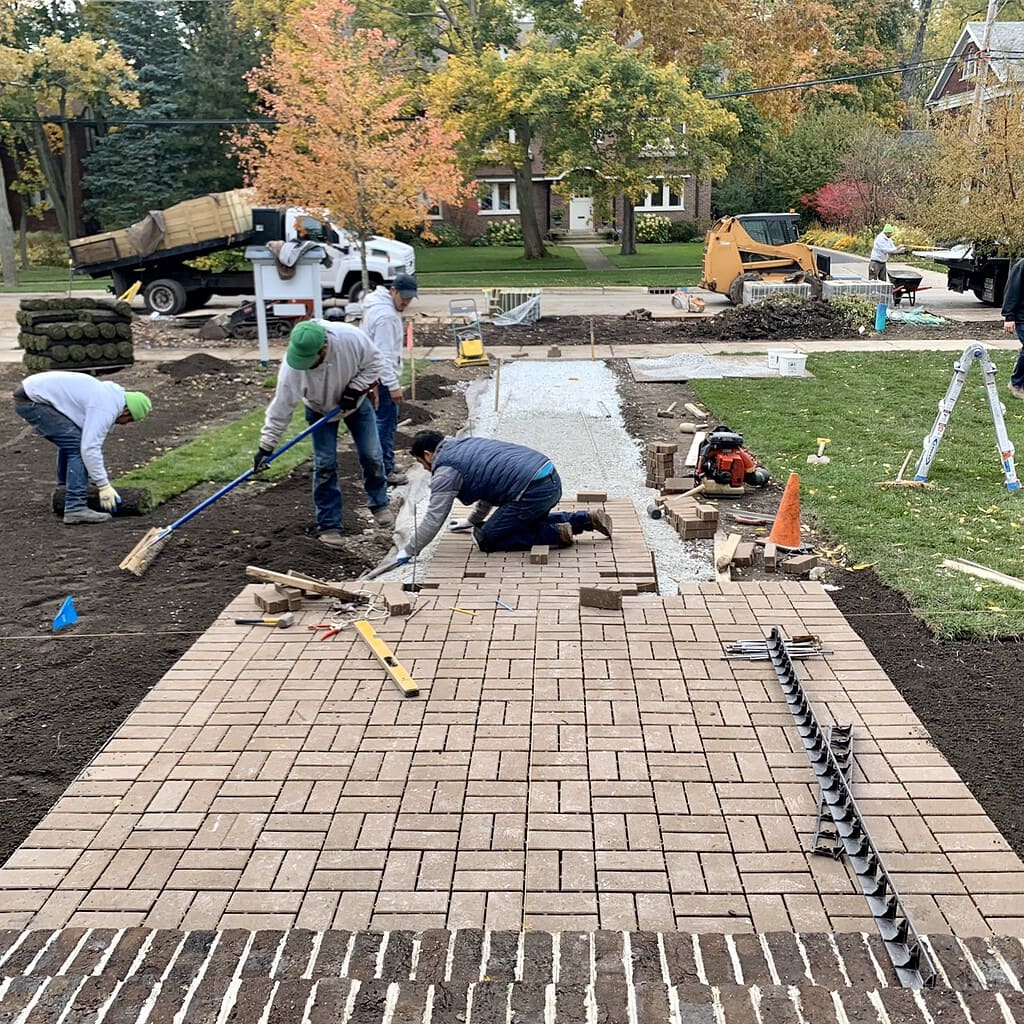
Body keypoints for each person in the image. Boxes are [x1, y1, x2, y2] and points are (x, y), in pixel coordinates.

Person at [254, 319, 396, 548]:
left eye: (310, 361)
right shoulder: (292, 370)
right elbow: (281, 408)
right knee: (325, 464)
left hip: (356, 405)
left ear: (325, 348)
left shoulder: (351, 338)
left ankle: (379, 503)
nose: (305, 366)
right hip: (319, 410)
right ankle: (329, 525)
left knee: (372, 455)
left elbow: (376, 362)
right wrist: (266, 446)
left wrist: (355, 388)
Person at [393, 430, 613, 562]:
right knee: (520, 520)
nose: (424, 469)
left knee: (485, 538)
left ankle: (556, 533)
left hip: (532, 491)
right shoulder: (465, 444)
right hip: (549, 478)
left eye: (422, 463)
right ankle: (585, 519)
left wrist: (409, 550)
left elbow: (434, 518)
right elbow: (489, 489)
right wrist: (471, 520)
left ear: (428, 455)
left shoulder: (446, 471)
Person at [13, 370, 152, 525]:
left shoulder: (110, 396)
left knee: (72, 441)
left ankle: (64, 491)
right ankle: (75, 507)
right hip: (33, 401)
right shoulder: (105, 407)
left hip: (30, 393)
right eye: (129, 419)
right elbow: (89, 448)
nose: (125, 424)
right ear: (126, 410)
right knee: (77, 447)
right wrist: (103, 485)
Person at [361, 273, 418, 486]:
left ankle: (386, 463)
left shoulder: (378, 307)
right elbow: (383, 355)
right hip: (380, 380)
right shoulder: (386, 317)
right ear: (392, 291)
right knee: (385, 424)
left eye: (410, 299)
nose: (406, 302)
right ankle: (385, 470)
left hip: (373, 376)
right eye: (403, 297)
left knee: (382, 422)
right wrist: (393, 385)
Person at [1003, 257, 1024, 399]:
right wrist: (1009, 316)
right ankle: (1016, 383)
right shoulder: (1022, 265)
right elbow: (1012, 290)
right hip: (1022, 317)